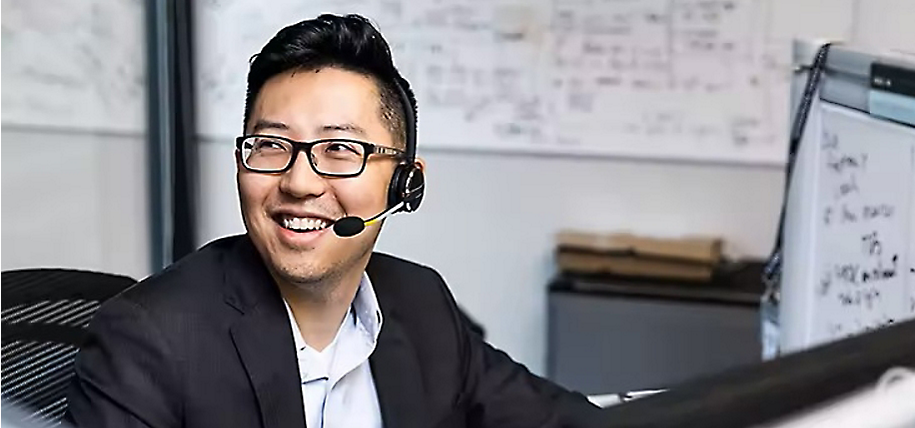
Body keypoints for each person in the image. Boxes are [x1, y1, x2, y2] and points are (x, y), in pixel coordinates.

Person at [65, 13, 595, 428]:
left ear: (406, 180)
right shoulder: (150, 339)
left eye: (341, 149)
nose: (299, 182)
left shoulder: (420, 302)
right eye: (271, 145)